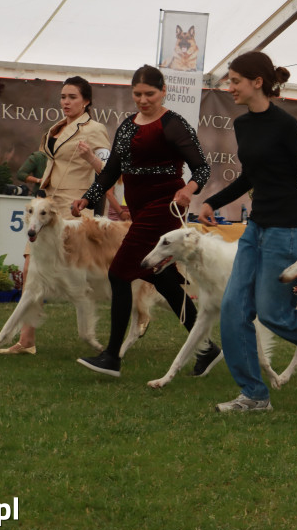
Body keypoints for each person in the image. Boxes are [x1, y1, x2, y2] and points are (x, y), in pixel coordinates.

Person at [197, 51, 297, 413]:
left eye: (236, 81)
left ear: (258, 82)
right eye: (229, 81)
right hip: (256, 228)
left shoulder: (285, 124)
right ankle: (254, 396)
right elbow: (249, 177)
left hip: (286, 229)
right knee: (232, 309)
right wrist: (213, 201)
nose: (230, 87)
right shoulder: (243, 125)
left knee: (274, 314)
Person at [74, 65, 217, 378]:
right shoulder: (127, 126)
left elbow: (201, 169)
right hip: (139, 208)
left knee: (119, 272)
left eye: (149, 94)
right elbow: (111, 170)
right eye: (137, 94)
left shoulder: (173, 124)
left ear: (163, 90)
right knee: (162, 278)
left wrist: (188, 189)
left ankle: (111, 356)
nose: (142, 99)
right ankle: (207, 348)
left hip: (163, 209)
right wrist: (87, 197)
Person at [0, 76, 111, 355]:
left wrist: (90, 160)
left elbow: (108, 172)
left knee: (83, 277)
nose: (66, 102)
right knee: (29, 268)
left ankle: (127, 315)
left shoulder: (94, 129)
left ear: (86, 101)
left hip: (74, 207)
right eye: (62, 97)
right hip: (48, 203)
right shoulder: (56, 128)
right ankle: (26, 340)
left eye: (72, 97)